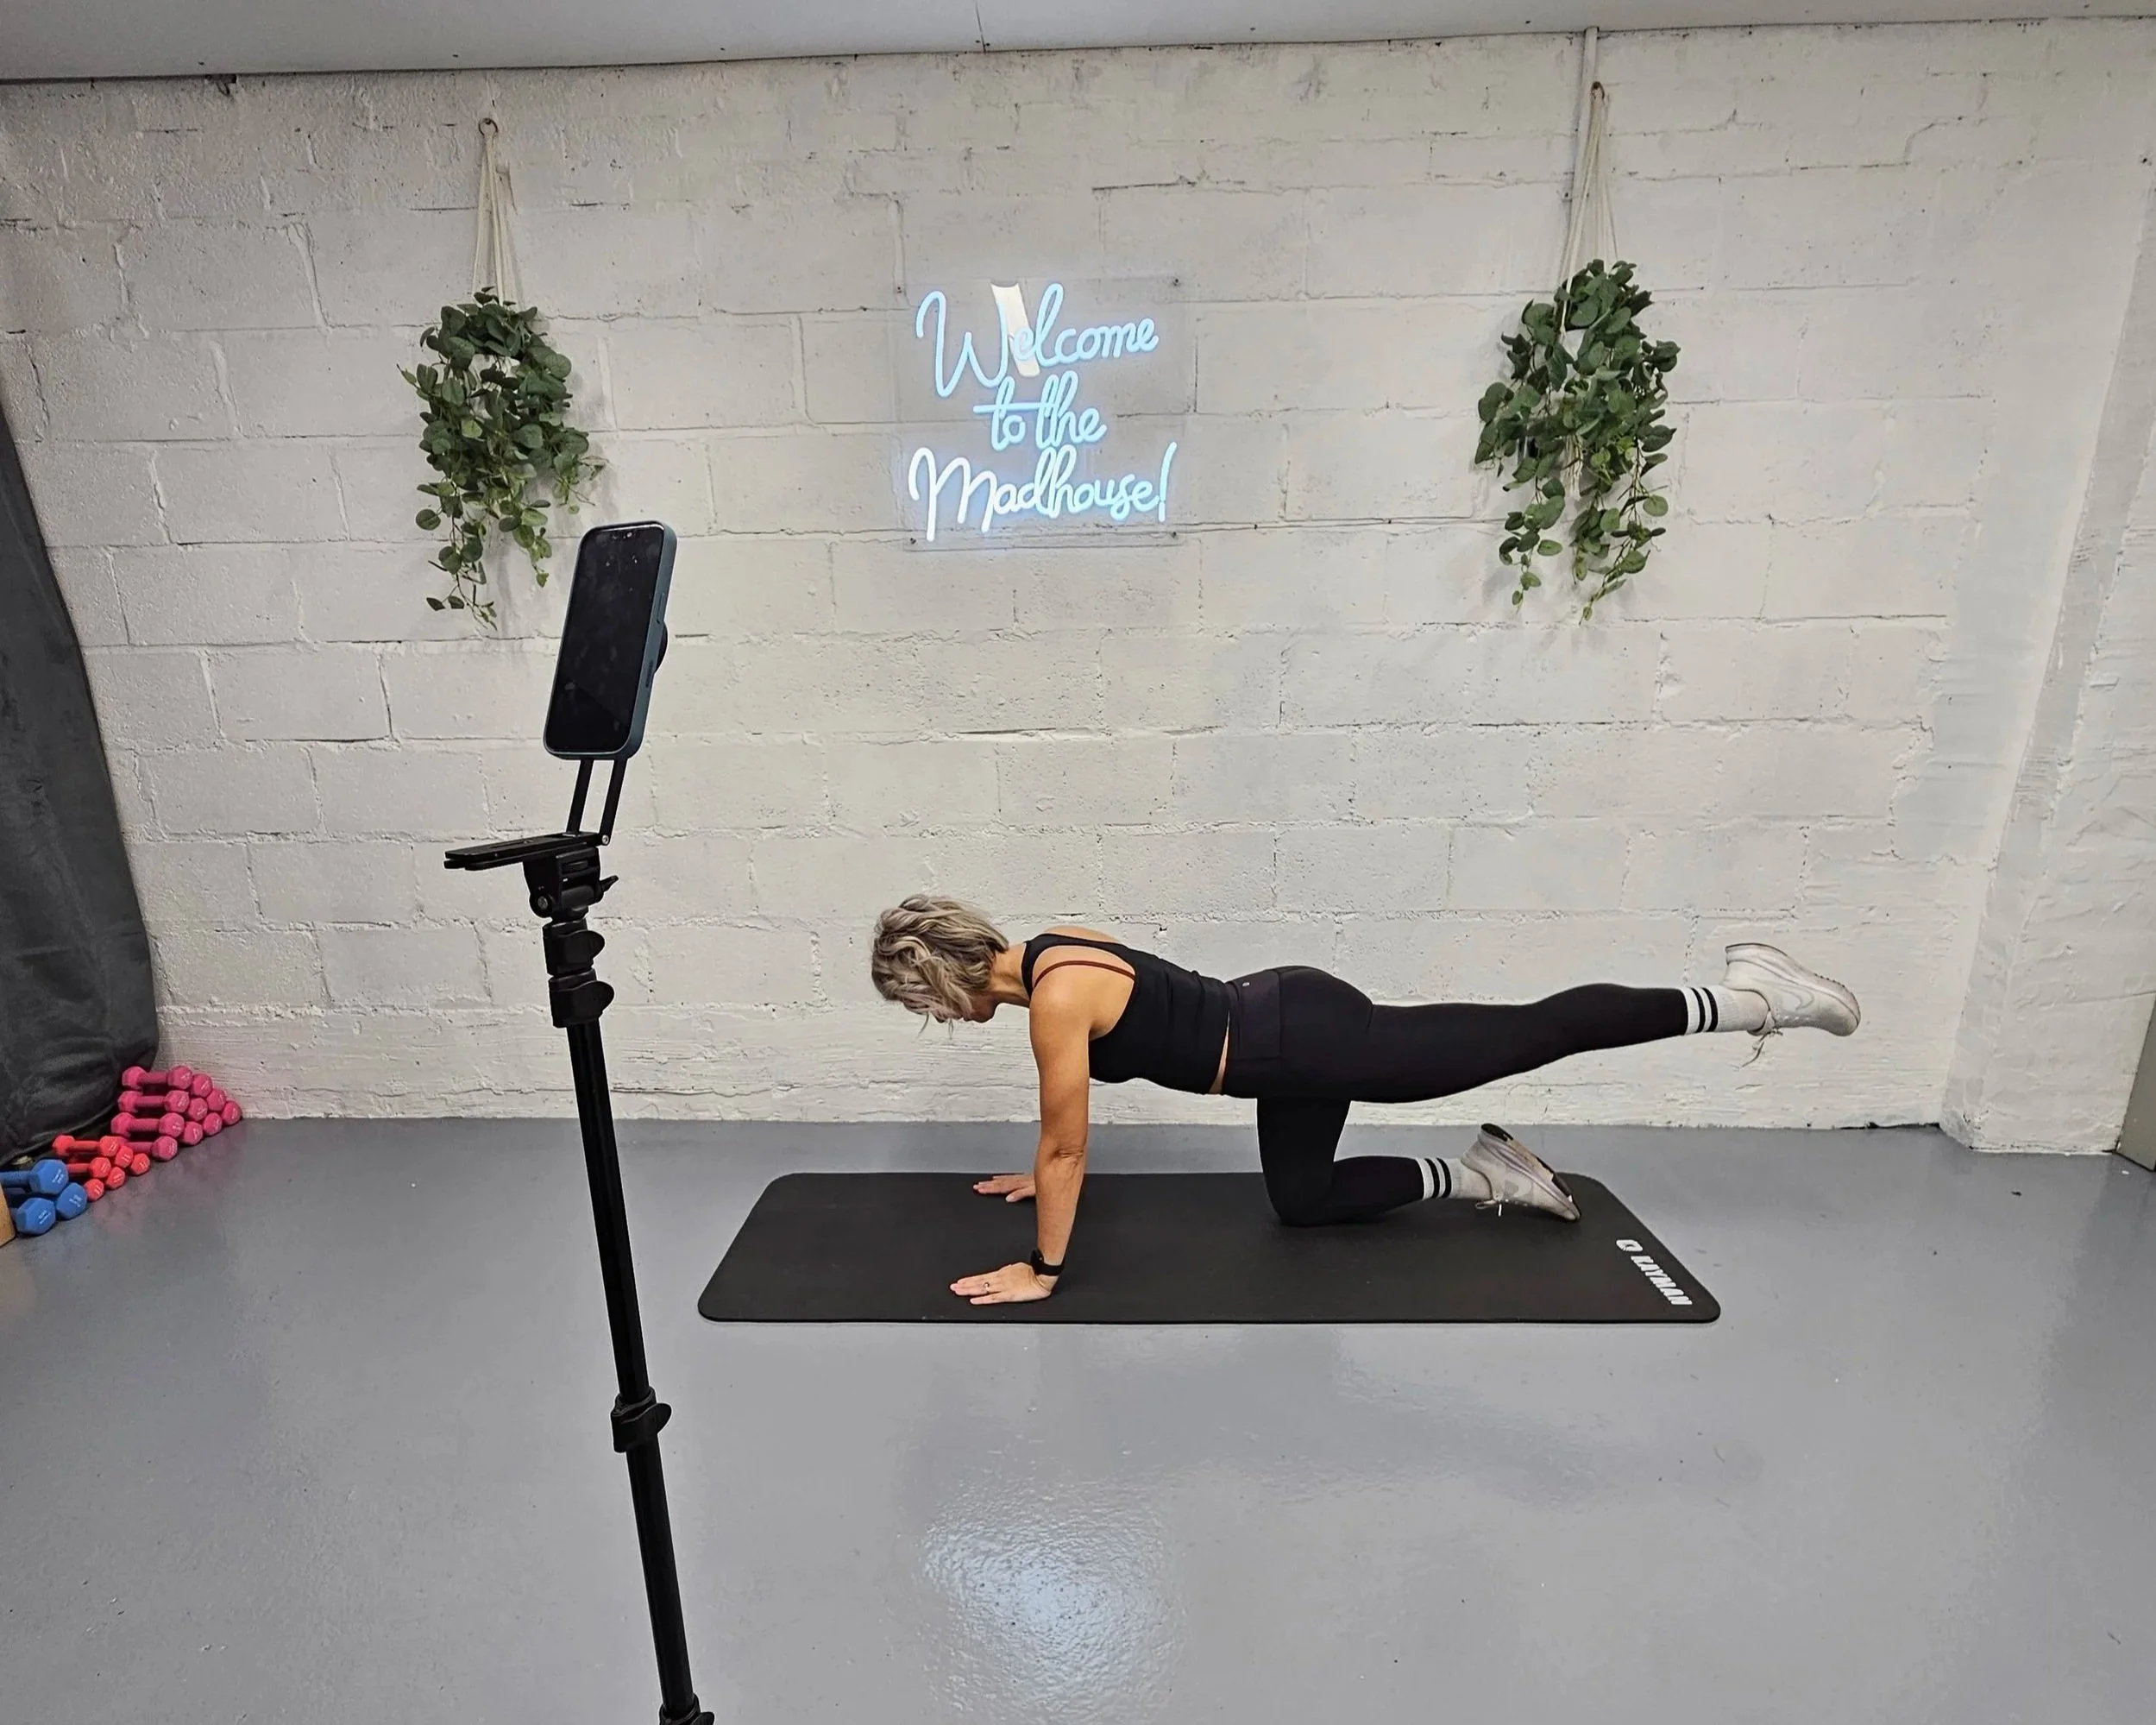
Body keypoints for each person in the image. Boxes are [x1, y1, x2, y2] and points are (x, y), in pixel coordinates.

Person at [869, 897, 1860, 1306]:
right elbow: (1062, 1133)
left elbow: (1066, 1149)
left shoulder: (1052, 1001)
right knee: (1301, 1201)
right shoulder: (1049, 947)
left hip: (1307, 1040)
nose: (940, 1022)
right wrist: (1030, 1176)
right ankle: (1485, 1172)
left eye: (925, 1006)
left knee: (1532, 1029)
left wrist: (1043, 1265)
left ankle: (1756, 996)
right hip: (1280, 1036)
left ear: (942, 984)